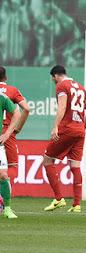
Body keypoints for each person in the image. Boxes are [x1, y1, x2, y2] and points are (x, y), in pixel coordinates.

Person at [43, 65, 86, 213]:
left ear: (56, 76)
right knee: (75, 165)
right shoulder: (80, 86)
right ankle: (76, 205)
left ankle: (59, 199)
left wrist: (56, 127)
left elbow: (62, 107)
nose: (53, 80)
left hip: (67, 128)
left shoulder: (61, 85)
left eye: (53, 78)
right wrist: (82, 127)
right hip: (79, 131)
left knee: (47, 160)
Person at [0, 66, 30, 212]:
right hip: (7, 133)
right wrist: (18, 128)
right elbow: (27, 108)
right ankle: (4, 201)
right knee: (12, 166)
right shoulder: (11, 90)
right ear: (5, 78)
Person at [0, 78, 21, 218]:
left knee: (3, 175)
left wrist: (7, 133)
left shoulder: (2, 97)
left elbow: (17, 113)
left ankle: (7, 208)